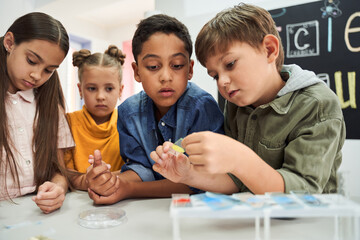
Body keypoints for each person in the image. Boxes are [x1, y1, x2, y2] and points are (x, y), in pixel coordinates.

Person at [151, 3, 346, 195]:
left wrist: (239, 159)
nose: (222, 83)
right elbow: (236, 182)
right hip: (259, 221)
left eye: (230, 64)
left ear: (269, 50)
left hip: (312, 223)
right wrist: (188, 174)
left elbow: (303, 194)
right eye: (215, 75)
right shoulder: (237, 104)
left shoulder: (317, 105)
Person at [86, 14, 224, 204]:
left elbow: (200, 181)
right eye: (153, 66)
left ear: (190, 69)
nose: (166, 76)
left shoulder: (203, 107)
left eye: (176, 65)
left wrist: (128, 189)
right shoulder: (128, 112)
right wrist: (110, 183)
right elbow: (139, 169)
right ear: (136, 72)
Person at [0, 12, 74, 213]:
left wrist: (58, 187)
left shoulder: (49, 105)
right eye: (32, 61)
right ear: (9, 42)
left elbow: (58, 170)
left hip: (36, 213)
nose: (37, 76)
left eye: (48, 70)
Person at [64, 45, 126, 191]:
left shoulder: (128, 124)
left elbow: (136, 169)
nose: (100, 97)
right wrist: (87, 180)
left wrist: (107, 180)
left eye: (109, 89)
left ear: (120, 90)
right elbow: (63, 172)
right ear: (80, 90)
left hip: (121, 197)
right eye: (92, 88)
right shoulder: (67, 123)